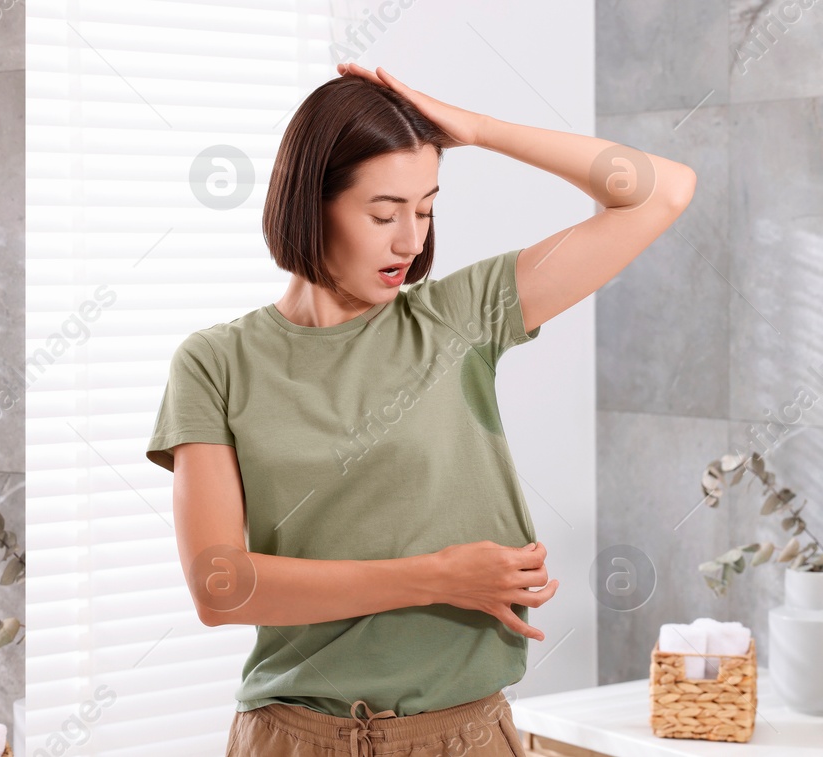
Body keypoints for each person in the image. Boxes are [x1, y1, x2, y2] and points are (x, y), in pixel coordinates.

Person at [146, 63, 695, 756]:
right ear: (311, 204)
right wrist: (437, 577)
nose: (410, 241)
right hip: (290, 737)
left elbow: (663, 192)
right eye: (383, 214)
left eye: (426, 208)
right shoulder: (215, 362)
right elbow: (220, 585)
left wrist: (477, 128)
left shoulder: (459, 319)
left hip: (461, 736)